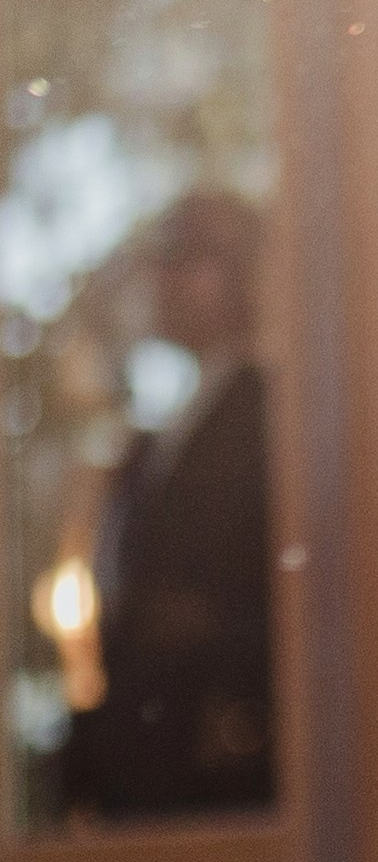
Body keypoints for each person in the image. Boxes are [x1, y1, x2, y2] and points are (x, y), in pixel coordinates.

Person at [57, 187, 273, 822]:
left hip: (213, 790)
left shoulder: (263, 419)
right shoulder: (158, 438)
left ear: (237, 274)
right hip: (149, 778)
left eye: (182, 258)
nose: (161, 280)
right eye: (161, 260)